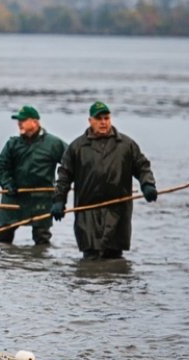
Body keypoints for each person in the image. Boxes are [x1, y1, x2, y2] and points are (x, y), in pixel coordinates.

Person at [52, 101, 157, 259]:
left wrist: (147, 184)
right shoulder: (77, 147)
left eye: (106, 118)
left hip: (118, 210)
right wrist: (59, 200)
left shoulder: (126, 145)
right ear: (90, 121)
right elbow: (64, 176)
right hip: (87, 210)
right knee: (90, 257)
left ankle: (115, 284)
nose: (103, 122)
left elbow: (142, 166)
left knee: (114, 257)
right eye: (99, 118)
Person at [0, 105, 67, 244]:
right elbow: (1, 167)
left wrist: (60, 194)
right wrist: (7, 183)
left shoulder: (53, 143)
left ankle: (39, 264)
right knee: (3, 236)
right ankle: (2, 264)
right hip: (14, 196)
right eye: (18, 121)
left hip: (41, 198)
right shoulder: (12, 144)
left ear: (35, 122)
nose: (19, 123)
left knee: (42, 237)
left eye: (23, 120)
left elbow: (70, 163)